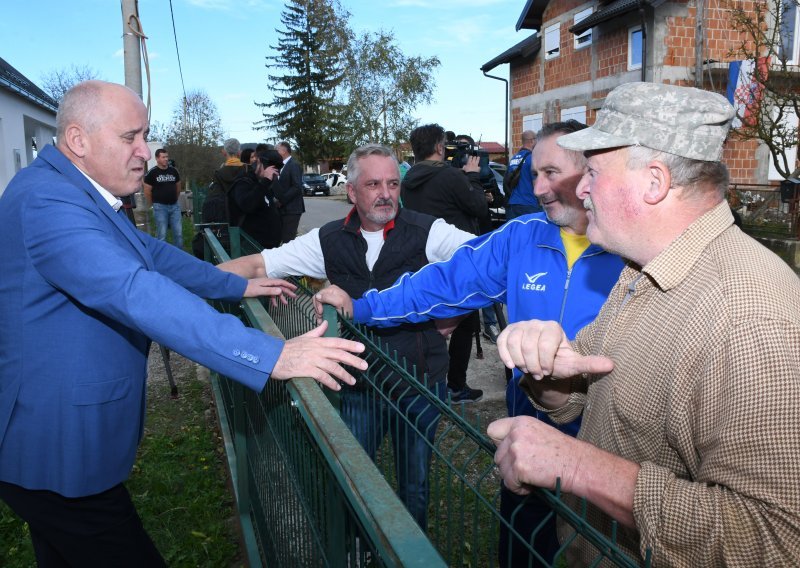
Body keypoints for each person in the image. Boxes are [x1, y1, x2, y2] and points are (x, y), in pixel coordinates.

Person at [0, 80, 367, 567]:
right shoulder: (50, 204)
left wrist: (237, 285)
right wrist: (272, 353)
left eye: (145, 136)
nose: (144, 152)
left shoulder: (74, 191)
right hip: (56, 449)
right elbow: (135, 289)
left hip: (58, 450)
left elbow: (150, 254)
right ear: (78, 140)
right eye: (130, 137)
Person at [488, 82, 800, 566]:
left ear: (654, 182)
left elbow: (775, 540)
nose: (581, 188)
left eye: (592, 171)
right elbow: (584, 402)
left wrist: (574, 465)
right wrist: (547, 369)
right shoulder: (642, 270)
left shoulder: (746, 317)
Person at [314, 121, 624, 565]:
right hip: (525, 446)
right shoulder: (522, 237)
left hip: (605, 456)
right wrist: (361, 307)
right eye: (533, 174)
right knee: (520, 553)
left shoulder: (627, 249)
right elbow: (442, 283)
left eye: (551, 173)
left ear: (588, 172)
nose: (538, 188)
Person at [219, 143, 475, 529]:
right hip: (358, 385)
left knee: (415, 485)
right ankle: (359, 548)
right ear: (352, 191)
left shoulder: (428, 231)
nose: (386, 193)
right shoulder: (327, 239)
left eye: (392, 182)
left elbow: (485, 263)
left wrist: (452, 315)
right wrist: (191, 281)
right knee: (355, 481)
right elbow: (257, 263)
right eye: (373, 184)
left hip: (419, 384)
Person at [402, 123, 490, 403]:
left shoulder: (408, 180)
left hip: (423, 257)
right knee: (464, 322)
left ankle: (426, 380)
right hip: (456, 258)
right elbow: (479, 207)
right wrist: (472, 178)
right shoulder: (450, 176)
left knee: (429, 323)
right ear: (440, 147)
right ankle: (455, 385)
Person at [230, 149, 283, 249]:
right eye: (269, 168)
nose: (272, 172)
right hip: (251, 247)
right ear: (258, 163)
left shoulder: (264, 183)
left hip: (268, 248)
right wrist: (266, 181)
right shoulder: (243, 182)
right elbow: (247, 204)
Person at [202, 137, 247, 225]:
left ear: (224, 152)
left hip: (225, 217)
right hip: (245, 217)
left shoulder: (219, 173)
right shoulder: (247, 170)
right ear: (239, 152)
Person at [143, 148, 183, 246]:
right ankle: (163, 258)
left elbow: (178, 187)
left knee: (178, 233)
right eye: (163, 157)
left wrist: (174, 199)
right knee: (162, 234)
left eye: (167, 157)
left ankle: (180, 256)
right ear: (157, 158)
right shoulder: (152, 173)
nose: (166, 159)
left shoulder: (174, 171)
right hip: (160, 207)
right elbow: (147, 191)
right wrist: (153, 205)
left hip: (174, 206)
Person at [273, 141, 305, 243]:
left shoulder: (293, 165)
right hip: (283, 209)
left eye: (276, 150)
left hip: (292, 209)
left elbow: (297, 187)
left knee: (288, 240)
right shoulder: (280, 166)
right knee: (281, 238)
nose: (275, 153)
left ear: (284, 151)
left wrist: (282, 200)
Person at [504, 130, 540, 219]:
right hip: (529, 205)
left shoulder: (513, 158)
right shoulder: (533, 158)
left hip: (513, 204)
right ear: (532, 141)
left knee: (517, 232)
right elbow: (537, 183)